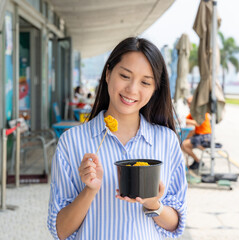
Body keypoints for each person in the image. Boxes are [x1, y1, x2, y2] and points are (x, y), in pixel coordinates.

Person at [47, 37, 187, 240]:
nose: (132, 89)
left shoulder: (167, 141)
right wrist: (90, 190)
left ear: (155, 89)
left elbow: (176, 225)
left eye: (145, 82)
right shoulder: (72, 141)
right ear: (108, 73)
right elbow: (60, 230)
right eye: (124, 75)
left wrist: (153, 204)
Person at [181, 96, 211, 170]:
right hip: (200, 136)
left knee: (184, 144)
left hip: (205, 137)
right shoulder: (194, 112)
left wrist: (183, 120)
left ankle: (198, 161)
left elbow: (197, 123)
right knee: (182, 142)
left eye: (191, 103)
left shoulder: (200, 111)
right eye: (188, 103)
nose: (189, 105)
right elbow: (186, 119)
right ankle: (196, 161)